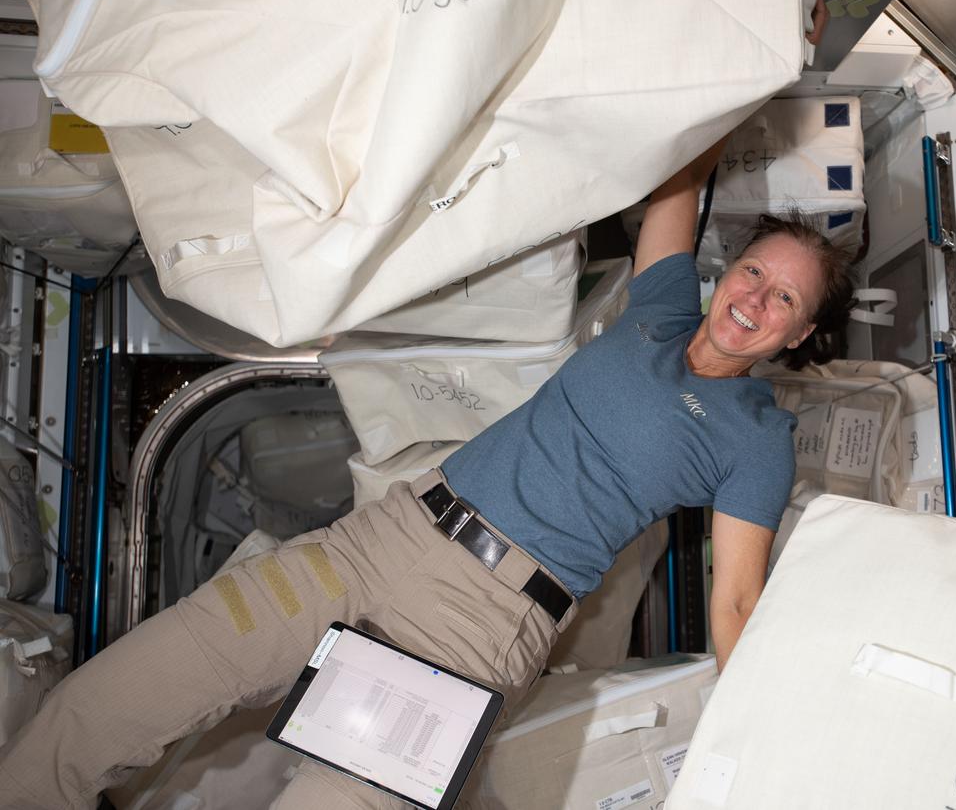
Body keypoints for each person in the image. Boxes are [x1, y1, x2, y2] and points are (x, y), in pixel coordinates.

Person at [0, 141, 855, 809]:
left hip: (478, 628)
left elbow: (735, 605)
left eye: (786, 299)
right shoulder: (662, 310)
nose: (757, 298)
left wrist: (771, 755)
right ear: (725, 275)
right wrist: (766, 63)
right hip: (380, 542)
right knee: (102, 704)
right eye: (754, 271)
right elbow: (678, 176)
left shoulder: (758, 440)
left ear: (798, 336)